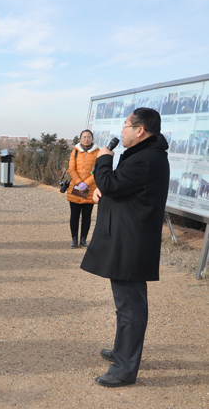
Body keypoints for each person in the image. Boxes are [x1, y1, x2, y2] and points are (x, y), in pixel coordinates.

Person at [81, 107, 169, 388]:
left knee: (131, 308)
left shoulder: (145, 159)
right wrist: (104, 190)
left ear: (140, 130)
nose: (122, 130)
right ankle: (121, 352)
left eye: (126, 126)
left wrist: (104, 159)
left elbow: (109, 180)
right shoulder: (145, 156)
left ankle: (125, 369)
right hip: (127, 240)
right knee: (125, 306)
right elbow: (118, 187)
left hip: (131, 243)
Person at [66, 129, 99, 248]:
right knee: (74, 215)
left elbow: (98, 171)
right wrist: (79, 183)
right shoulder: (75, 152)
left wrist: (86, 184)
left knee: (87, 216)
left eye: (88, 137)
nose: (86, 139)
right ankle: (74, 239)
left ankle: (83, 239)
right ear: (80, 139)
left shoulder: (97, 152)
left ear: (92, 139)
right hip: (76, 187)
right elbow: (71, 169)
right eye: (84, 137)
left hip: (89, 189)